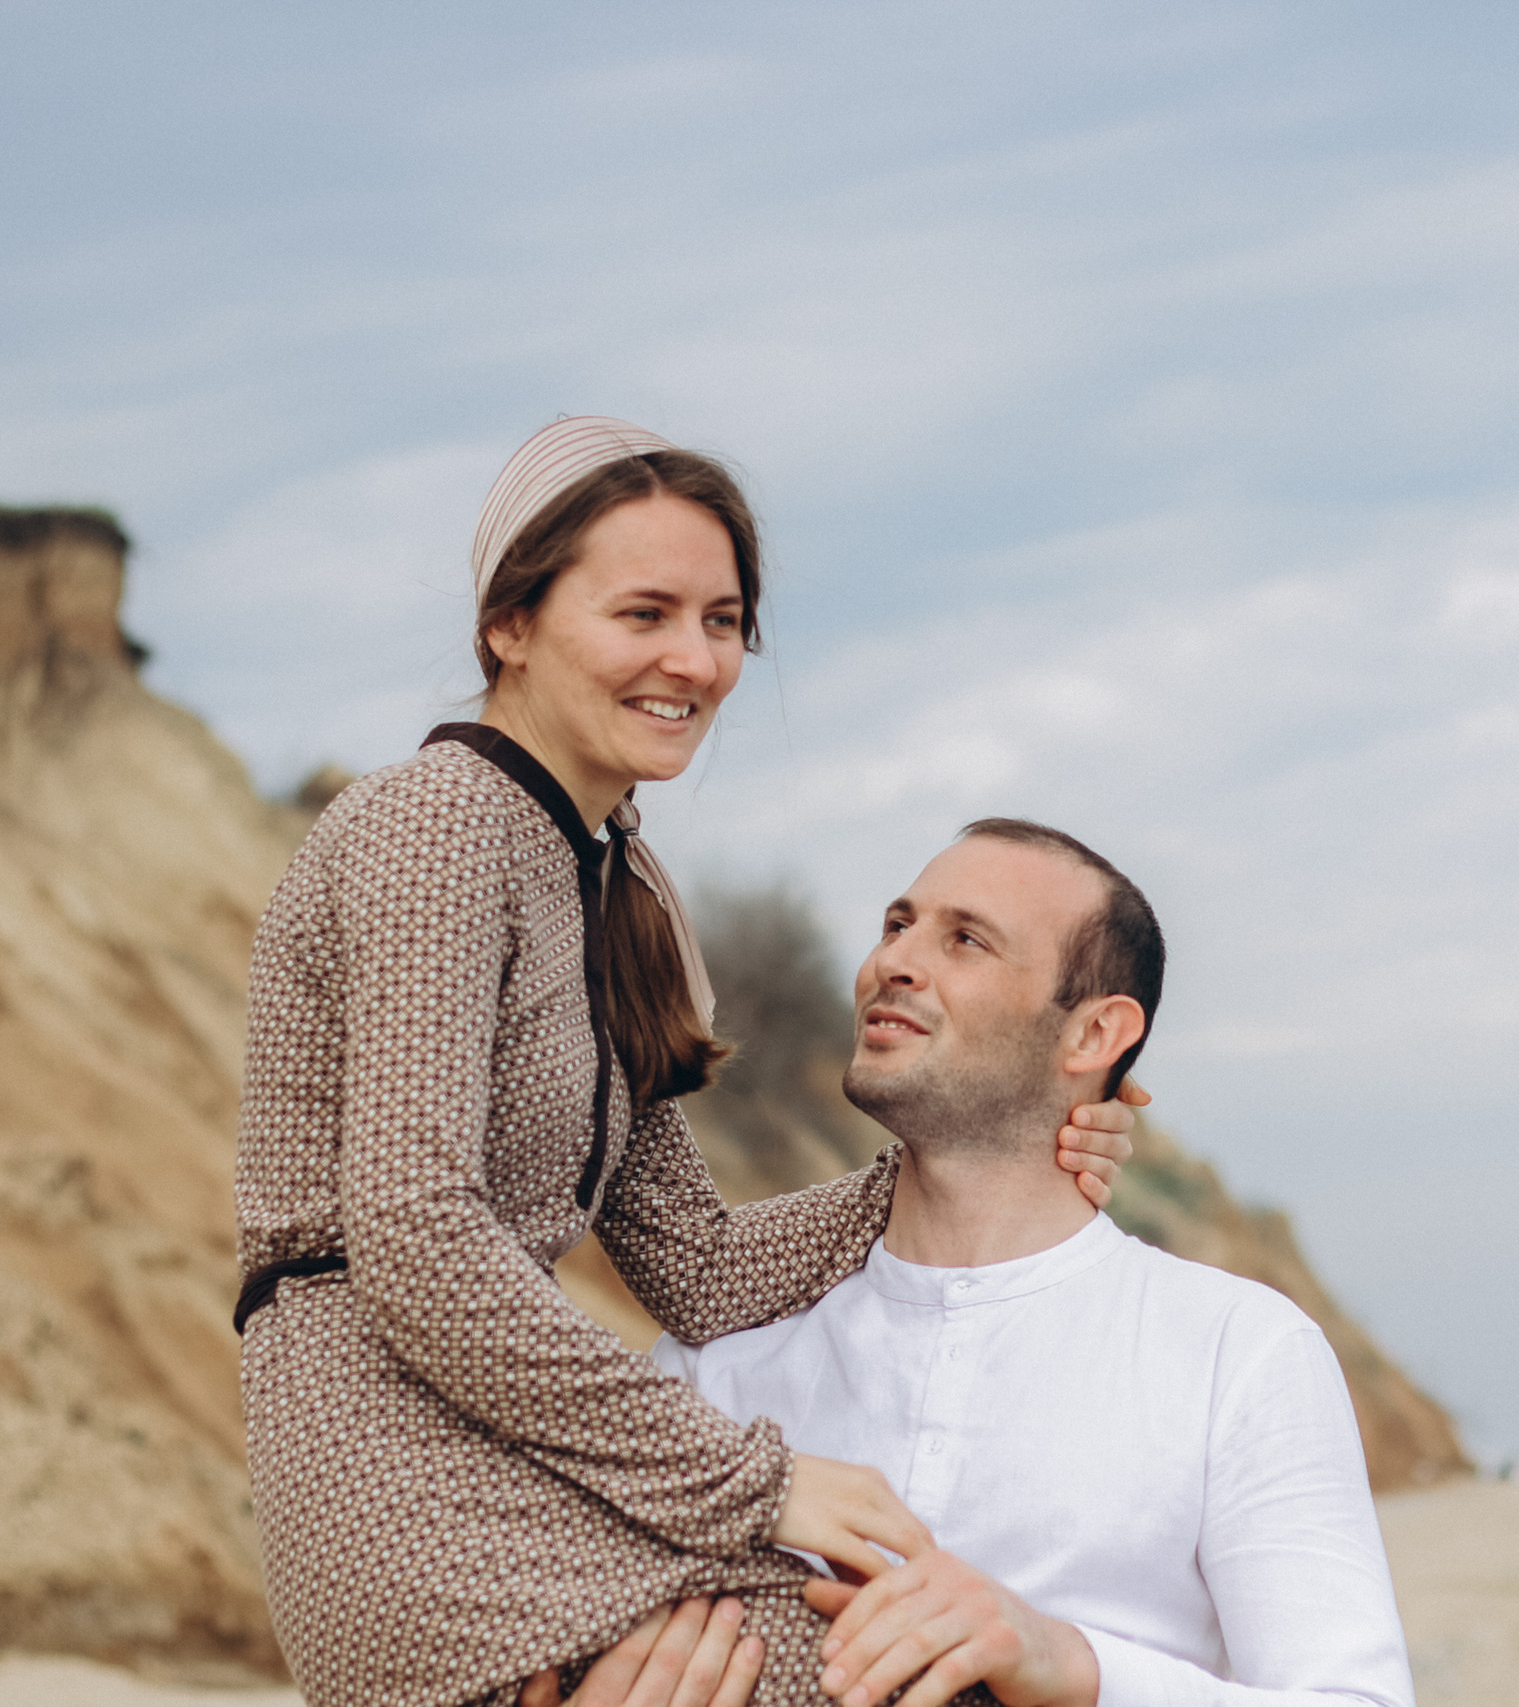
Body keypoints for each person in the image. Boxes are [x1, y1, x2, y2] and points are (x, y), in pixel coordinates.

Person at [233, 418, 1146, 1707]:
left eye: (721, 621)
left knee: (926, 1651)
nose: (693, 660)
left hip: (509, 1442)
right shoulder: (433, 821)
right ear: (511, 623)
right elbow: (415, 1233)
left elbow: (699, 1271)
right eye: (643, 613)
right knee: (906, 1667)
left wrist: (974, 1161)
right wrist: (762, 1482)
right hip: (391, 1465)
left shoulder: (618, 888)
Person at [650, 821, 1416, 1707]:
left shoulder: (1239, 1352)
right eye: (896, 923)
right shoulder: (719, 1352)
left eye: (964, 939)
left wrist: (1069, 1661)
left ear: (1094, 1032)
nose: (894, 958)